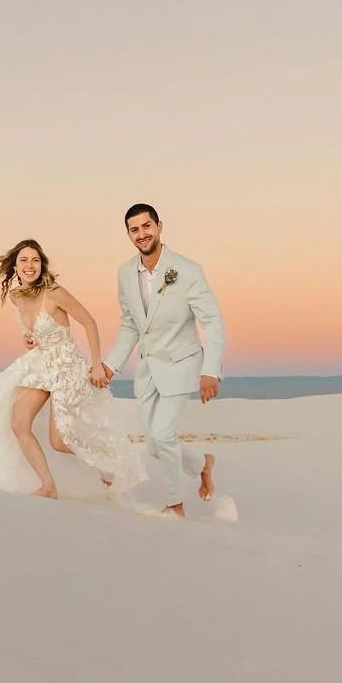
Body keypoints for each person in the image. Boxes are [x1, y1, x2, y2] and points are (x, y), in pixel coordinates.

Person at [0, 239, 146, 500]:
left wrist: (95, 365)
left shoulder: (54, 292)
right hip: (40, 364)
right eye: (24, 260)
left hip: (67, 367)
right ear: (15, 266)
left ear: (42, 264)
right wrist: (30, 339)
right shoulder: (16, 297)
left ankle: (108, 464)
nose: (30, 265)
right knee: (18, 423)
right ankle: (48, 486)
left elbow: (89, 322)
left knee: (59, 441)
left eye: (35, 260)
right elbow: (35, 331)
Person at [100, 204, 225, 517]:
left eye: (146, 226)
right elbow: (130, 324)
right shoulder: (125, 273)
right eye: (134, 229)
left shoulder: (187, 269)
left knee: (163, 435)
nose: (142, 234)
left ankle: (175, 505)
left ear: (159, 226)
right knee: (155, 444)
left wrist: (211, 371)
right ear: (128, 234)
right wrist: (110, 365)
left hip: (182, 363)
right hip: (147, 368)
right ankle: (201, 463)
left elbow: (212, 322)